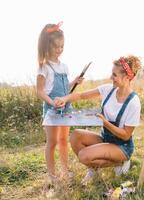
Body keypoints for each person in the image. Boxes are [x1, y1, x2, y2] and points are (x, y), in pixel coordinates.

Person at [54, 55, 142, 185]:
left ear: (127, 77)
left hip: (121, 146)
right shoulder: (108, 89)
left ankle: (120, 162)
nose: (111, 78)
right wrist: (64, 99)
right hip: (106, 139)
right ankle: (93, 169)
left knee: (83, 156)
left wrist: (105, 122)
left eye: (114, 75)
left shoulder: (133, 102)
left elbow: (126, 135)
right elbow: (81, 95)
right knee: (76, 136)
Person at [36, 22, 83, 184]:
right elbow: (40, 91)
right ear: (47, 45)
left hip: (66, 109)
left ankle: (65, 170)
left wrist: (74, 82)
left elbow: (65, 90)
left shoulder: (64, 66)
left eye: (62, 46)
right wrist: (52, 103)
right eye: (56, 46)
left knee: (64, 140)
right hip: (51, 110)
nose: (59, 50)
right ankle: (52, 175)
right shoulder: (44, 67)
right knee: (52, 142)